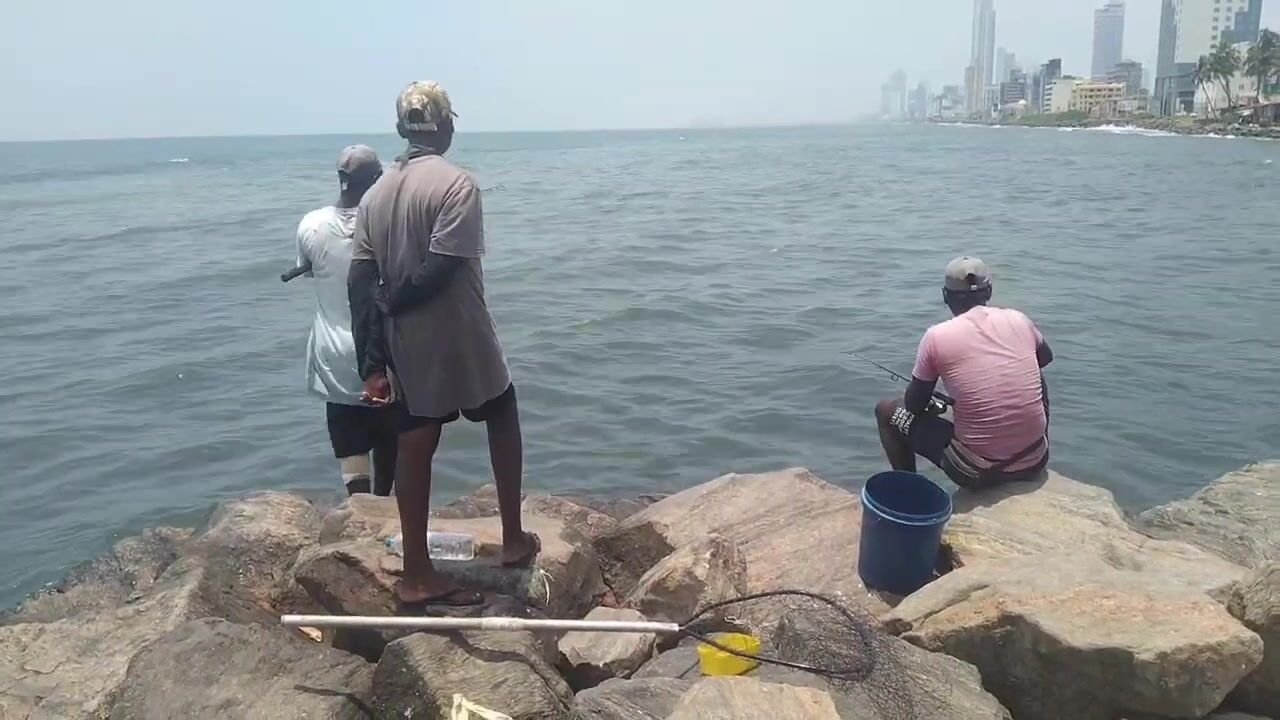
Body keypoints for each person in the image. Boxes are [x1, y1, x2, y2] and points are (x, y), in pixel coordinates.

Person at [348, 81, 537, 608]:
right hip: (460, 332)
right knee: (502, 412)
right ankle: (514, 539)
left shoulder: (374, 196)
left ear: (400, 128)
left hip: (404, 343)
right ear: (447, 126)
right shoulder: (457, 186)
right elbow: (441, 269)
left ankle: (416, 572)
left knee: (415, 440)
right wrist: (395, 302)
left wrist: (372, 362)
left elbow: (359, 284)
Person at [874, 256, 1053, 490]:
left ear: (945, 295)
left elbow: (913, 406)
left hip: (978, 472)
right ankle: (1030, 440)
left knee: (887, 412)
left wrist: (927, 397)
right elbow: (1045, 357)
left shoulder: (937, 337)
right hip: (1036, 460)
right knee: (1036, 370)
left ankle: (910, 492)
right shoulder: (1019, 319)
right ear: (989, 291)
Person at [296, 145, 398, 496]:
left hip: (333, 356)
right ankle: (384, 507)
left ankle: (359, 510)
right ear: (377, 179)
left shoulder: (311, 224)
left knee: (350, 443)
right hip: (383, 352)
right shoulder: (388, 223)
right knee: (390, 438)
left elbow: (310, 270)